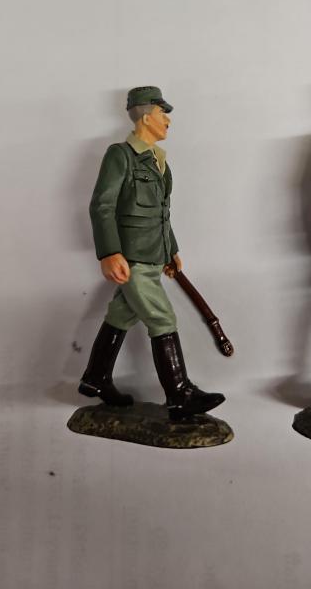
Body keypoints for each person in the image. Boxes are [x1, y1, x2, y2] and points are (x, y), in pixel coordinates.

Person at [78, 86, 225, 421]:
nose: (168, 120)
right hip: (132, 259)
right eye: (162, 113)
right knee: (162, 318)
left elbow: (161, 214)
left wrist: (170, 250)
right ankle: (179, 394)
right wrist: (109, 252)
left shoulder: (160, 162)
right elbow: (102, 205)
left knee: (121, 315)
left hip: (152, 256)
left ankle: (95, 378)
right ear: (146, 116)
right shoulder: (121, 155)